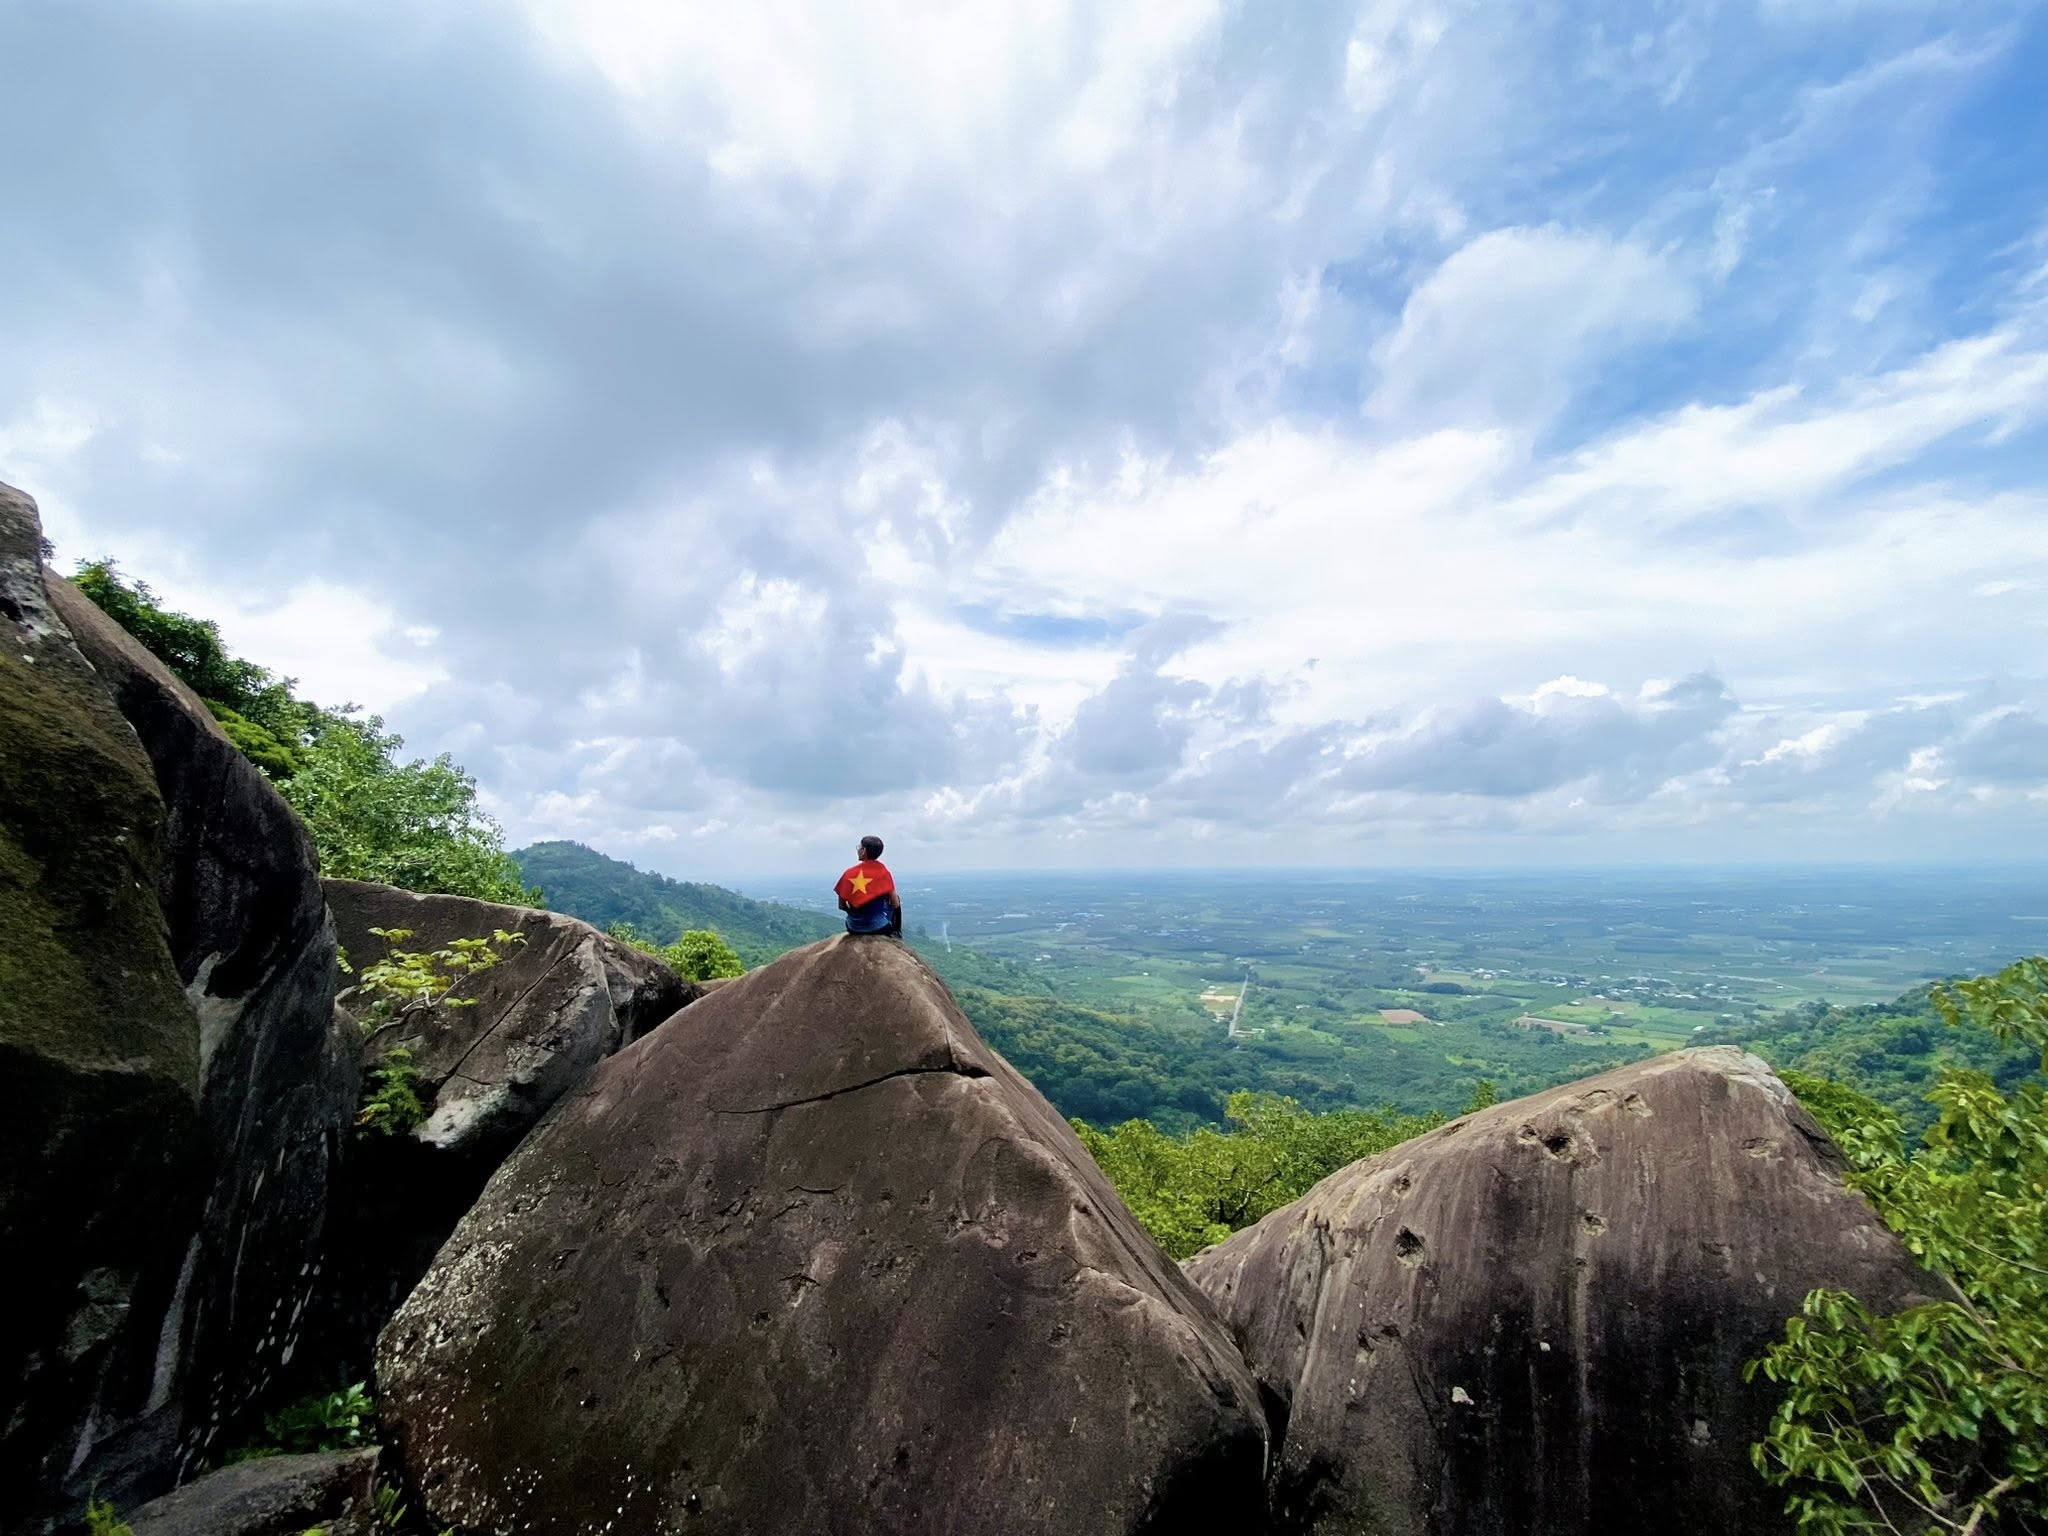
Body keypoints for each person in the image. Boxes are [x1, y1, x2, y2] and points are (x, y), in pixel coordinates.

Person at [834, 835, 902, 937]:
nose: (858, 850)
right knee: (897, 898)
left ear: (864, 850)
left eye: (859, 847)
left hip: (853, 927)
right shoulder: (883, 872)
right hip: (879, 927)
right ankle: (897, 932)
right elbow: (895, 904)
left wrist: (854, 913)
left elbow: (841, 906)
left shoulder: (849, 873)